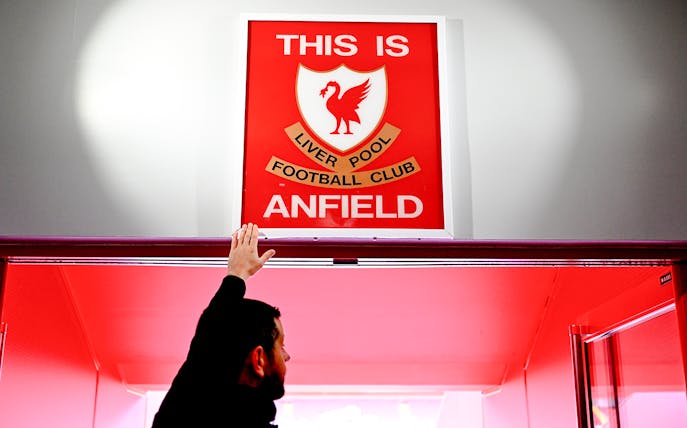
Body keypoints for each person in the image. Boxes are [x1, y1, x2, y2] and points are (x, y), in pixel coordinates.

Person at [152, 223, 289, 428]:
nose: (286, 356)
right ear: (259, 359)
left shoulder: (179, 418)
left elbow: (205, 347)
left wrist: (237, 274)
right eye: (281, 346)